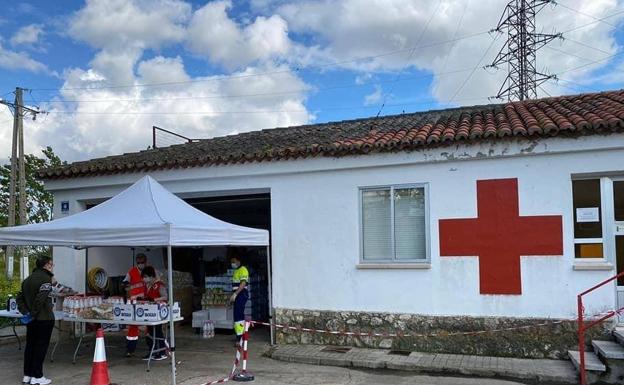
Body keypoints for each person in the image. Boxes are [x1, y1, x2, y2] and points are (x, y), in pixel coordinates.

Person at [18, 256, 55, 385]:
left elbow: (19, 299)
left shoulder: (27, 280)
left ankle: (27, 375)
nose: (52, 266)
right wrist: (33, 313)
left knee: (30, 346)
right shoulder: (46, 279)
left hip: (31, 320)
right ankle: (37, 376)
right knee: (41, 347)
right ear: (46, 265)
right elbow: (41, 299)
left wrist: (26, 313)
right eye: (51, 264)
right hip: (43, 318)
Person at [122, 253, 148, 357]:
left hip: (147, 302)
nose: (140, 264)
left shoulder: (150, 271)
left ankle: (153, 347)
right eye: (138, 263)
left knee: (149, 325)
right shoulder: (132, 271)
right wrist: (126, 286)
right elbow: (125, 282)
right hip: (134, 303)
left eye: (142, 262)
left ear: (145, 262)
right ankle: (130, 349)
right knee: (133, 326)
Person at [141, 266, 168, 361]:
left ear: (151, 276)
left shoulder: (159, 285)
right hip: (149, 313)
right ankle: (153, 351)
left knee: (158, 331)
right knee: (150, 333)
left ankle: (162, 352)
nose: (144, 279)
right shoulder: (147, 286)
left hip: (158, 313)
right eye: (143, 277)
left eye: (145, 277)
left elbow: (165, 297)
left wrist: (154, 299)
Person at [229, 252, 249, 342]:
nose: (232, 263)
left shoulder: (243, 269)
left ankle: (240, 337)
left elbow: (243, 283)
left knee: (238, 316)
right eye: (231, 262)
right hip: (238, 295)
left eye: (234, 261)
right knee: (237, 315)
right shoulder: (236, 270)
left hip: (241, 294)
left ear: (238, 261)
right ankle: (239, 335)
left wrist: (235, 294)